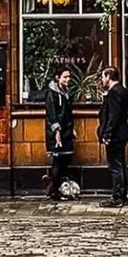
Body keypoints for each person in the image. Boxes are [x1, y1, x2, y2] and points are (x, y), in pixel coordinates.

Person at [97, 65, 128, 207]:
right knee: (120, 164)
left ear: (109, 77)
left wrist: (107, 133)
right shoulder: (122, 90)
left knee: (116, 166)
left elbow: (113, 115)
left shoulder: (114, 92)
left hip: (116, 134)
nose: (102, 80)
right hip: (121, 132)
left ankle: (118, 197)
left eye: (104, 77)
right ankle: (122, 195)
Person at [44, 66, 75, 201]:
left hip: (65, 131)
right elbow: (52, 114)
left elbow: (67, 113)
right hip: (58, 133)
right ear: (58, 78)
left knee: (64, 160)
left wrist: (71, 128)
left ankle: (54, 188)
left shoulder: (64, 92)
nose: (68, 79)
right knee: (58, 160)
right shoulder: (52, 94)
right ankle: (54, 191)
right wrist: (56, 132)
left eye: (69, 77)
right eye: (65, 77)